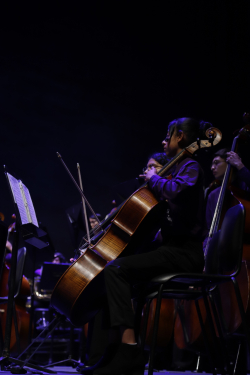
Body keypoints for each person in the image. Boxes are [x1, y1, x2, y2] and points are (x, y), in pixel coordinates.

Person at [81, 117, 208, 375]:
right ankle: (111, 351)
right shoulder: (176, 169)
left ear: (180, 137)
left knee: (117, 271)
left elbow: (178, 191)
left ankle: (129, 351)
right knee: (111, 271)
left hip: (185, 254)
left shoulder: (191, 166)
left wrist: (153, 178)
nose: (164, 140)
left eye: (168, 135)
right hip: (169, 250)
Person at [203, 148, 250, 255]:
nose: (212, 167)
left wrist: (240, 165)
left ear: (229, 161)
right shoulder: (213, 195)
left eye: (216, 163)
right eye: (212, 164)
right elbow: (209, 230)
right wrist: (206, 251)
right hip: (219, 250)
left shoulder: (244, 187)